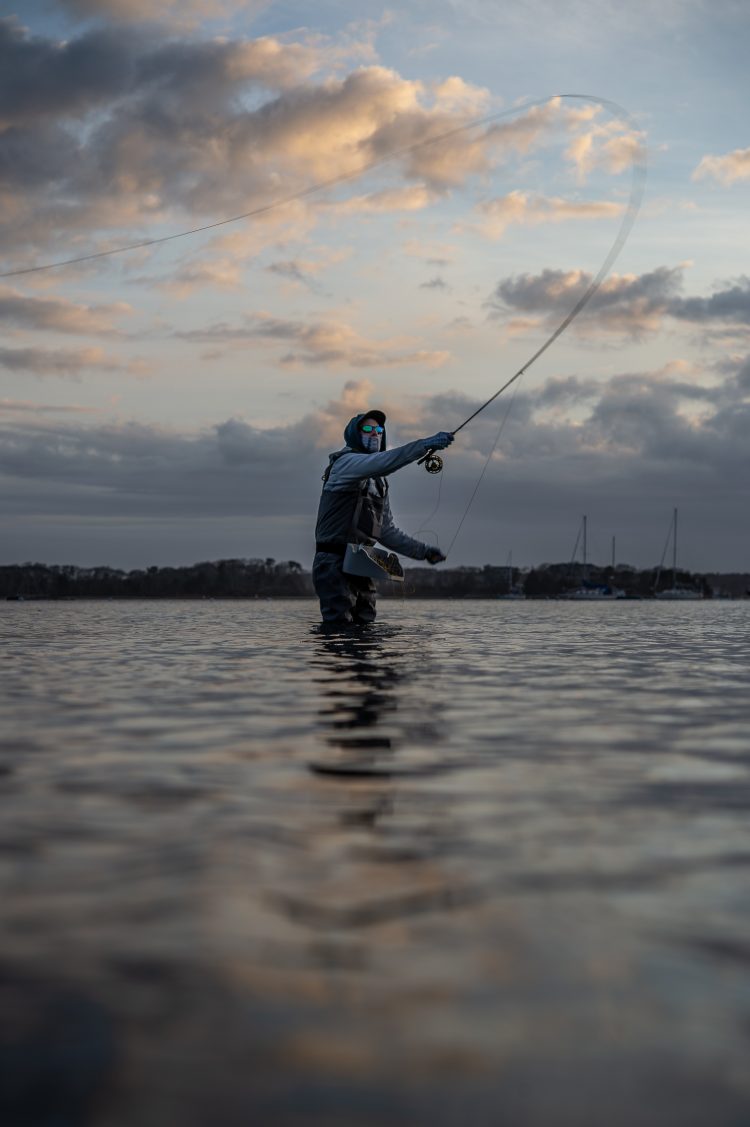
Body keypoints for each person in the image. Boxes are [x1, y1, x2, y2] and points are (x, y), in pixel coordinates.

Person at [313, 409, 454, 626]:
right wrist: (424, 445)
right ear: (354, 434)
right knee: (339, 625)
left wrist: (423, 551)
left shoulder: (379, 482)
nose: (375, 434)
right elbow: (385, 462)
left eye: (379, 430)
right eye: (367, 429)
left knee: (366, 625)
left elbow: (386, 531)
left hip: (361, 561)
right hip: (333, 562)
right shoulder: (345, 463)